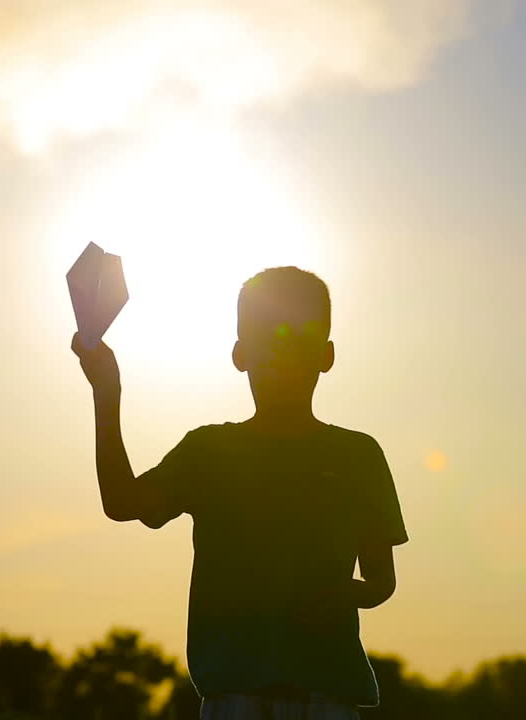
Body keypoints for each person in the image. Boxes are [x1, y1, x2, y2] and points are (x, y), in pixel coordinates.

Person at [72, 266, 408, 720]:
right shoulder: (209, 452)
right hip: (234, 702)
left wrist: (344, 594)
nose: (284, 353)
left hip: (328, 698)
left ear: (326, 356)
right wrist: (106, 391)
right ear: (240, 353)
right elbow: (122, 502)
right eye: (271, 339)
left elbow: (381, 581)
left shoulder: (359, 456)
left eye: (299, 340)